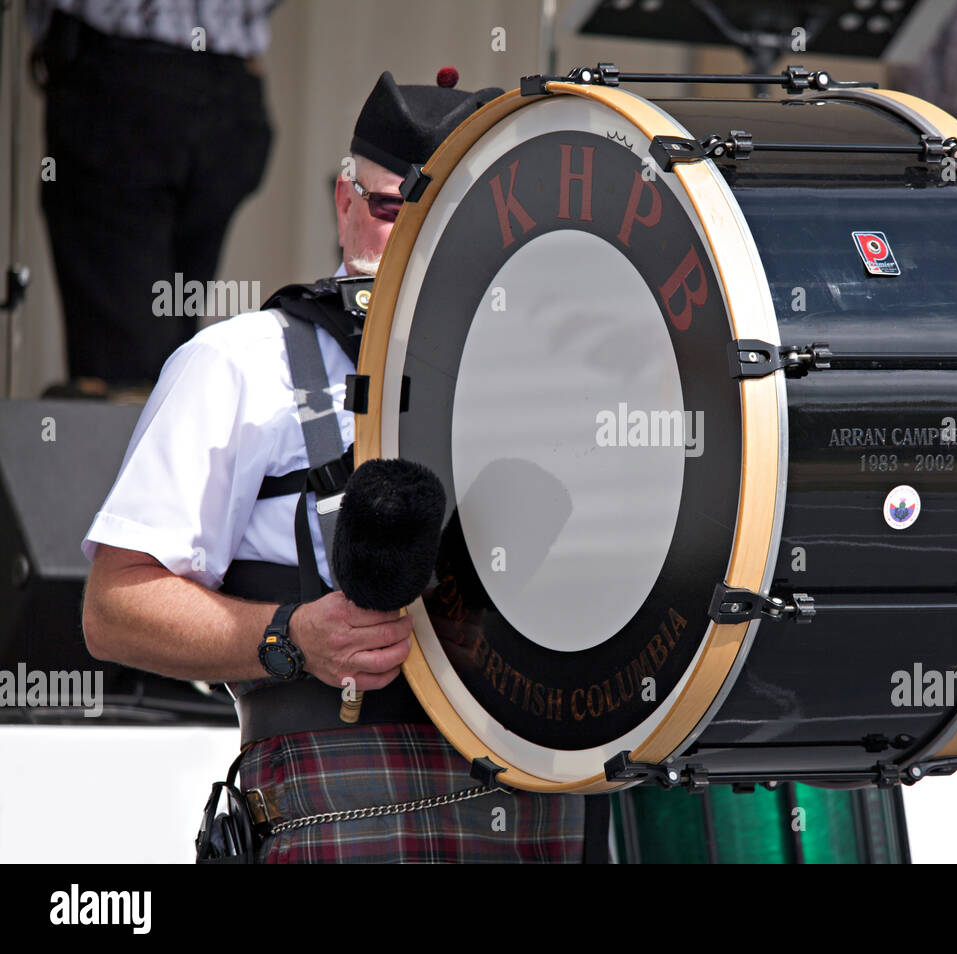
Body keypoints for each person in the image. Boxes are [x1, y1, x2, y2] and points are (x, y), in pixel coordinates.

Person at [81, 70, 590, 862]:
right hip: (336, 788)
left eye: (450, 217)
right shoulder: (239, 362)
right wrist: (289, 635)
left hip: (540, 793)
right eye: (396, 210)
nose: (420, 238)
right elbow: (114, 608)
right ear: (346, 201)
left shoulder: (552, 372)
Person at [30, 0, 281, 397]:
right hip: (232, 86)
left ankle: (132, 426)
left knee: (125, 375)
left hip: (124, 80)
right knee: (168, 350)